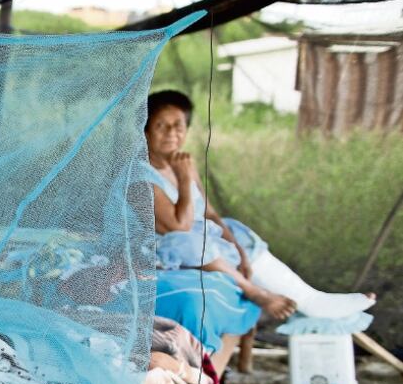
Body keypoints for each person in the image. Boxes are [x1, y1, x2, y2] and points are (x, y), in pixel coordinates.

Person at [143, 89, 375, 321]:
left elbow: (209, 213)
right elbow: (179, 228)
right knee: (190, 241)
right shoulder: (142, 175)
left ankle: (310, 298)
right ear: (145, 129)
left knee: (234, 230)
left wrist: (240, 251)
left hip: (202, 238)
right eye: (161, 126)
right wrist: (184, 179)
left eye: (179, 126)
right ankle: (255, 292)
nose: (171, 133)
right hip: (166, 246)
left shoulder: (183, 163)